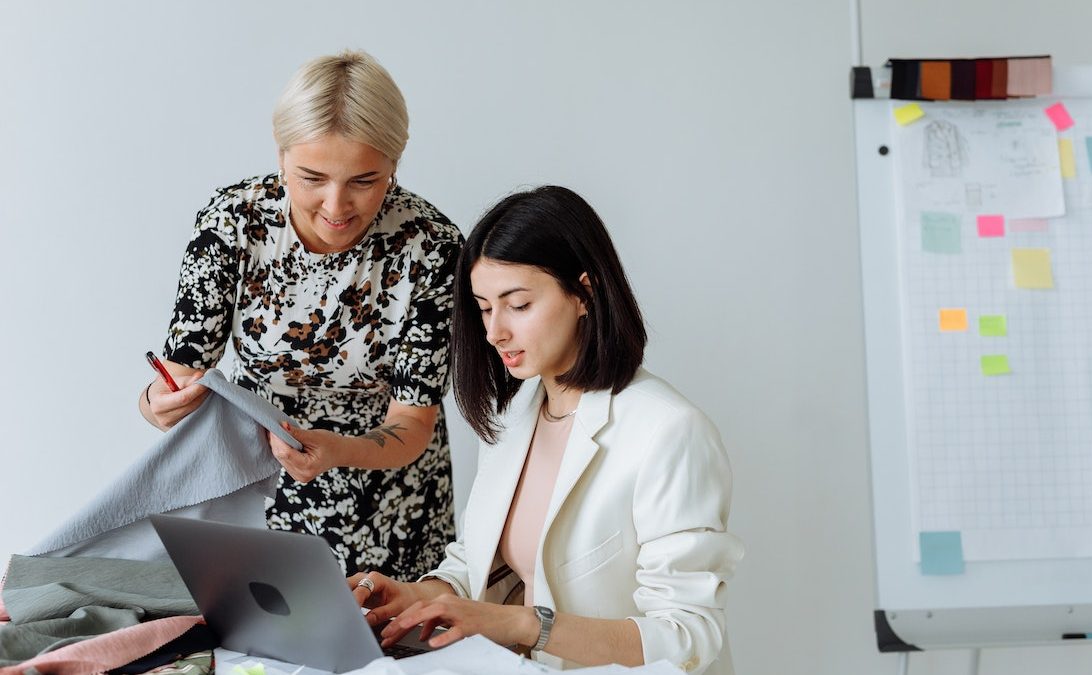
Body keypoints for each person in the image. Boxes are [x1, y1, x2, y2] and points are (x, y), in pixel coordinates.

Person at [349, 186, 742, 674]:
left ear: (585, 291)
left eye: (517, 305)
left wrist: (524, 624)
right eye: (484, 307)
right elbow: (479, 564)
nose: (494, 332)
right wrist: (415, 597)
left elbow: (688, 635)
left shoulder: (669, 431)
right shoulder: (512, 415)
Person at [138, 50, 462, 581]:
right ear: (281, 154)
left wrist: (338, 450)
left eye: (365, 180)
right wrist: (157, 404)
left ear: (395, 166)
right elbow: (178, 377)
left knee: (389, 651)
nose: (336, 206)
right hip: (254, 480)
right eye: (312, 176)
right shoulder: (232, 223)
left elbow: (412, 423)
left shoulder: (432, 248)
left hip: (389, 496)